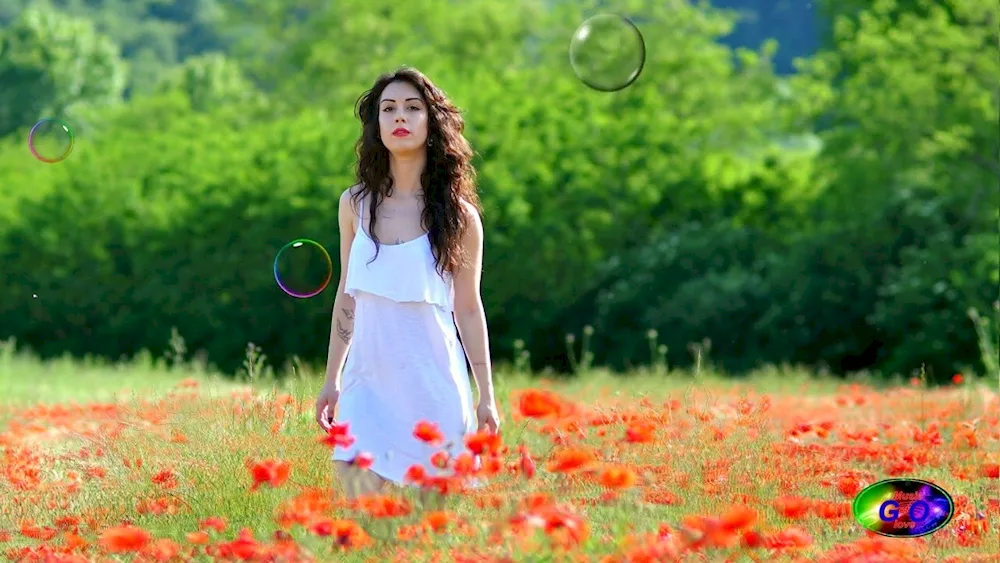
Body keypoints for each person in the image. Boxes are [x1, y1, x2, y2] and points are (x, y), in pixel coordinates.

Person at [314, 67, 501, 499]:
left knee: (425, 534)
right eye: (389, 108)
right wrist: (331, 378)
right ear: (376, 125)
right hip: (367, 384)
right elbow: (347, 296)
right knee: (363, 522)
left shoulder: (459, 217)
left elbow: (469, 308)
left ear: (431, 122)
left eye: (413, 108)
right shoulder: (353, 205)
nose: (400, 116)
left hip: (432, 385)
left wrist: (486, 395)